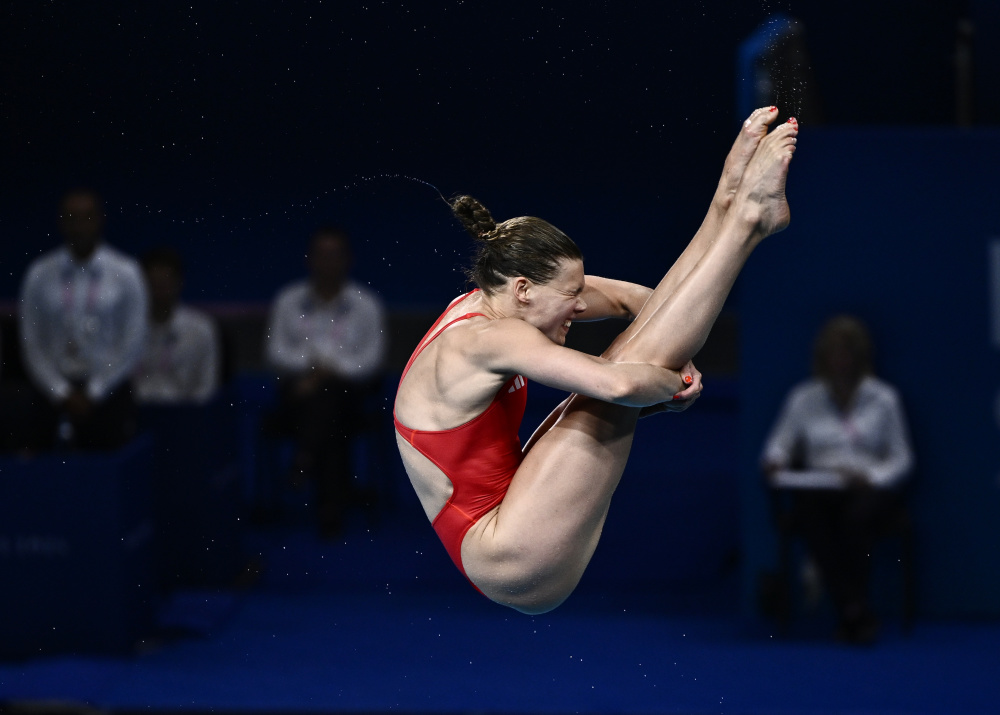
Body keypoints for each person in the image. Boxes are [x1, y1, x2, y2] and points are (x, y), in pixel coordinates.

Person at [394, 107, 799, 614]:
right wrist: (669, 383)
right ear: (522, 289)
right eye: (571, 295)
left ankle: (729, 207)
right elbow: (623, 386)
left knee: (631, 356)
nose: (582, 305)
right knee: (623, 368)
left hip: (514, 516)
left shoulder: (487, 304)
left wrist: (671, 366)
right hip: (508, 553)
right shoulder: (488, 339)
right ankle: (747, 224)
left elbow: (636, 300)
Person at [761, 314, 914, 644]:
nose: (840, 361)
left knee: (856, 518)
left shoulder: (884, 399)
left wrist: (870, 477)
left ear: (860, 357)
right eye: (833, 353)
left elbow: (902, 458)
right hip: (820, 489)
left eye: (847, 353)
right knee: (811, 514)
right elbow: (778, 446)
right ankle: (856, 610)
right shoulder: (804, 398)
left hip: (868, 491)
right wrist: (775, 462)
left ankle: (851, 611)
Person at [264, 226, 388, 536]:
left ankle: (304, 458)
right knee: (325, 409)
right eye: (322, 254)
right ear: (310, 259)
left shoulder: (367, 303)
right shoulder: (288, 299)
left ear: (348, 259)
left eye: (335, 254)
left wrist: (326, 371)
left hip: (350, 397)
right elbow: (275, 352)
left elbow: (372, 360)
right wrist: (314, 368)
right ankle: (331, 508)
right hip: (296, 394)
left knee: (329, 401)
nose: (328, 261)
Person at [17, 188, 148, 451]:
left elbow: (132, 341)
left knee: (108, 477)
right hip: (51, 393)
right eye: (72, 218)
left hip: (109, 393)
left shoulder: (127, 272)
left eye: (86, 217)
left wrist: (96, 391)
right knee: (45, 476)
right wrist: (60, 391)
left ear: (100, 219)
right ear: (61, 222)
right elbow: (31, 342)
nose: (79, 226)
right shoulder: (39, 274)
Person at [133, 246, 221, 405]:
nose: (159, 291)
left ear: (179, 283)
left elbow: (207, 386)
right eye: (154, 284)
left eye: (165, 284)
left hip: (185, 413)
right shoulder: (127, 328)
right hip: (134, 410)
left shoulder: (201, 328)